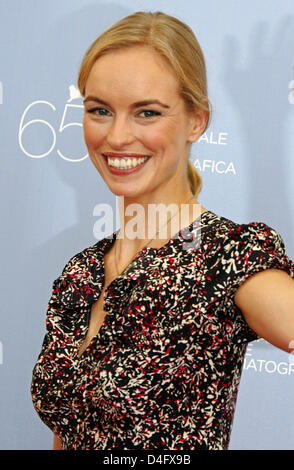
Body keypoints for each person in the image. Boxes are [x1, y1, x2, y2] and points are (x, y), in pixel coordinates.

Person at [31, 11, 294, 451]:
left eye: (146, 113)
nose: (117, 136)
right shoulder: (79, 275)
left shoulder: (225, 258)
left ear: (197, 121)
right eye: (99, 110)